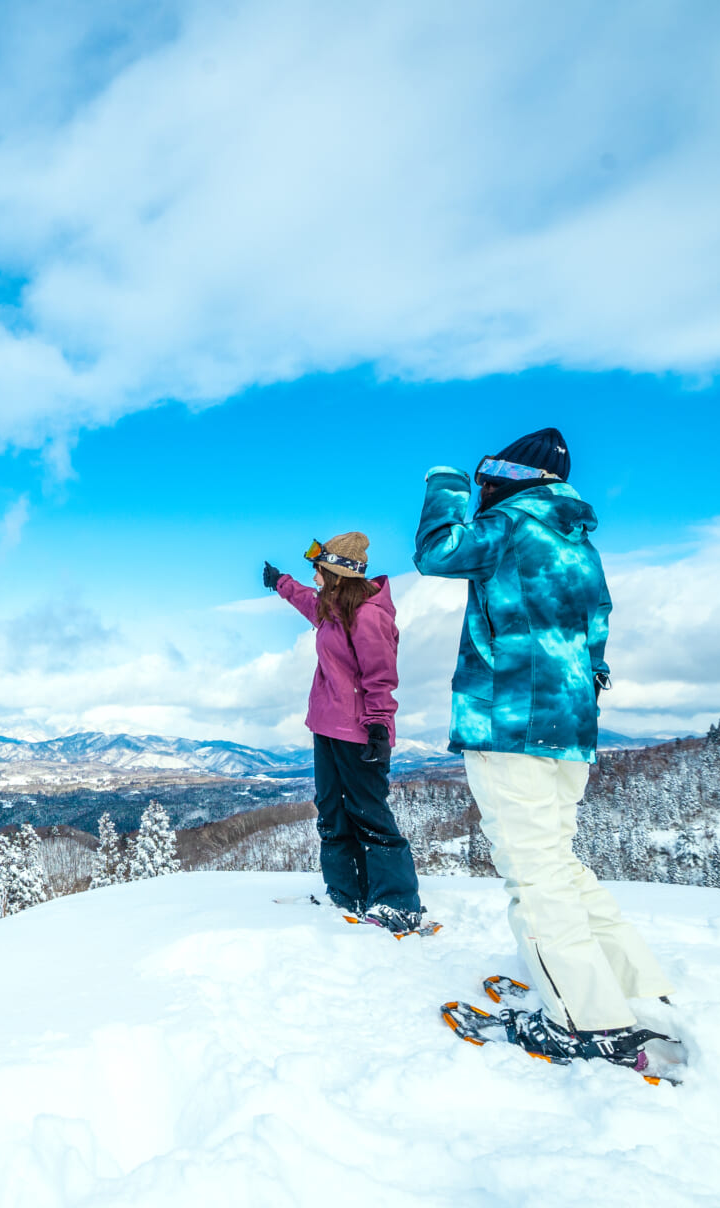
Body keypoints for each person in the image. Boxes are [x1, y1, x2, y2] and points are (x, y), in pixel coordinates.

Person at [415, 427, 686, 1079]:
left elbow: (439, 551)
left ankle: (583, 1023)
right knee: (558, 865)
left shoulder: (511, 525)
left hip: (511, 723)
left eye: (488, 477)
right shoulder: (578, 544)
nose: (484, 487)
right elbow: (598, 637)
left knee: (534, 876)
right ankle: (634, 988)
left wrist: (443, 485)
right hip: (569, 727)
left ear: (509, 476)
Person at [262, 531, 427, 933]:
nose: (314, 576)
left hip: (358, 732)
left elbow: (380, 678)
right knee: (332, 812)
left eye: (318, 569)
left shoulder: (369, 616)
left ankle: (396, 902)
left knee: (369, 815)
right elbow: (306, 601)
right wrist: (281, 583)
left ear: (337, 573)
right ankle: (346, 891)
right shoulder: (330, 607)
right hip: (326, 726)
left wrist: (379, 729)